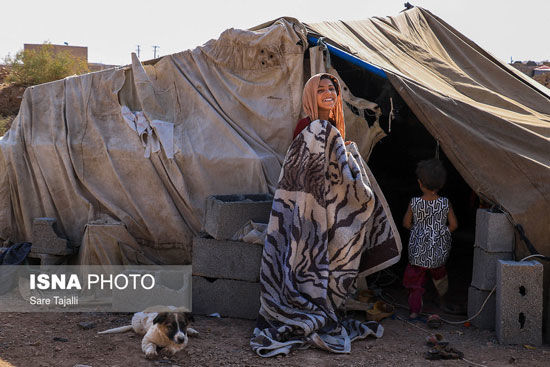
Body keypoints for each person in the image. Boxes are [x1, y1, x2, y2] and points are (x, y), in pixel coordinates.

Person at [250, 73, 390, 357]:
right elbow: (303, 174)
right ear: (309, 97)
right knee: (310, 258)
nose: (328, 93)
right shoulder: (311, 127)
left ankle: (321, 300)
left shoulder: (332, 126)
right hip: (308, 211)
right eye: (320, 90)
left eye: (332, 89)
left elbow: (332, 169)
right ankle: (309, 305)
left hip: (323, 208)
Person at [402, 158, 458, 319]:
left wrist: (417, 230)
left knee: (415, 281)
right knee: (440, 276)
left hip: (418, 251)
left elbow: (406, 223)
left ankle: (414, 311)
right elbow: (454, 225)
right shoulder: (445, 203)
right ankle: (442, 300)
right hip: (438, 250)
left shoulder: (414, 203)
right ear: (441, 185)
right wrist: (440, 232)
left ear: (420, 183)